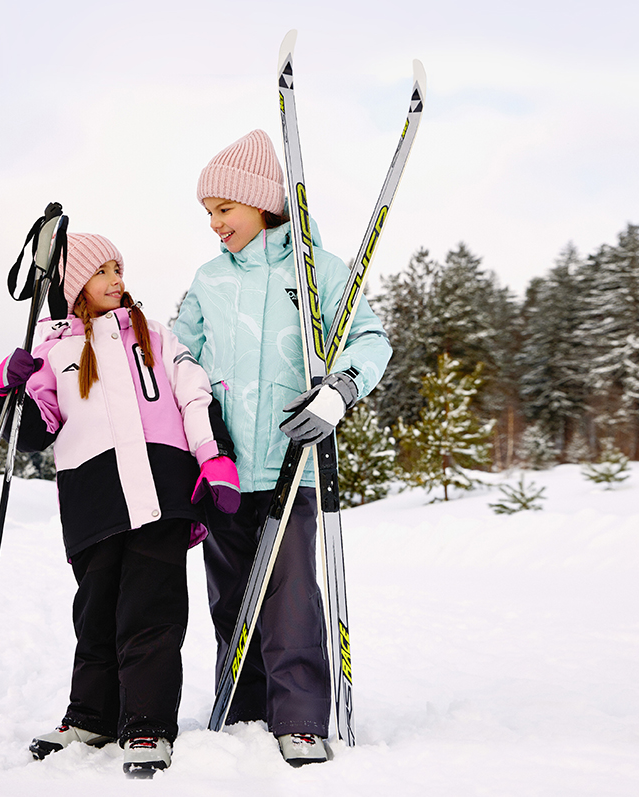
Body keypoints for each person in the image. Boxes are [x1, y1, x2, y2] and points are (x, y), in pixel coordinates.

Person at [173, 129, 392, 766]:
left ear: (262, 203)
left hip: (292, 462)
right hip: (222, 467)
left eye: (224, 210)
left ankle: (299, 717)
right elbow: (173, 350)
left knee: (291, 593)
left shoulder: (319, 271)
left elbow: (370, 339)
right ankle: (243, 711)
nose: (215, 225)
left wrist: (340, 390)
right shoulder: (209, 279)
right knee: (230, 595)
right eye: (208, 214)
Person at [0, 232, 239, 779]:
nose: (116, 280)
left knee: (150, 612)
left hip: (163, 490)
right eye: (101, 271)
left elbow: (193, 396)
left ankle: (147, 724)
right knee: (97, 612)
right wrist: (6, 387)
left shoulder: (154, 336)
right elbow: (34, 432)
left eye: (118, 268)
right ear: (74, 284)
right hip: (94, 495)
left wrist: (213, 457)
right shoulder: (53, 351)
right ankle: (92, 716)